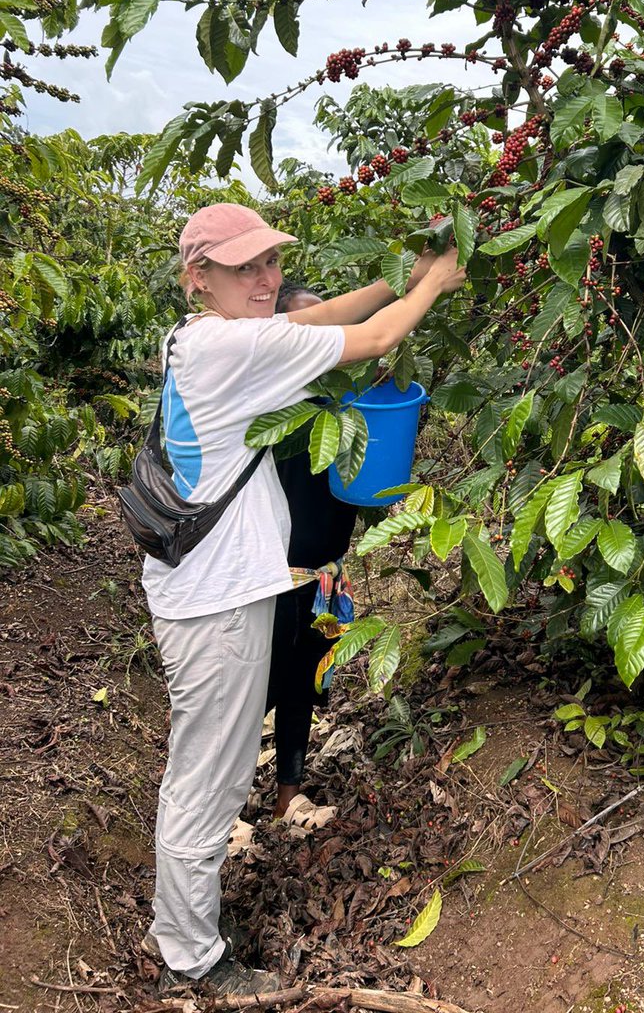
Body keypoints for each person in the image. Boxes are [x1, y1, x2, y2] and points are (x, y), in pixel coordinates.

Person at [140, 203, 465, 997]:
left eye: (270, 261)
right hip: (214, 604)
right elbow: (376, 339)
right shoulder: (232, 346)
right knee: (209, 781)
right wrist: (435, 285)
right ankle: (191, 955)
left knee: (207, 770)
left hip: (207, 590)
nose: (264, 278)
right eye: (242, 267)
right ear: (198, 276)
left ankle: (182, 925)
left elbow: (315, 319)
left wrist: (400, 277)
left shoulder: (196, 334)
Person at [266, 282, 358, 819]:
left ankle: (287, 797)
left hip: (323, 577)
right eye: (305, 327)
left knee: (302, 683)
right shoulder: (270, 406)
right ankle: (224, 806)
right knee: (258, 687)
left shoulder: (346, 408)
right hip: (269, 578)